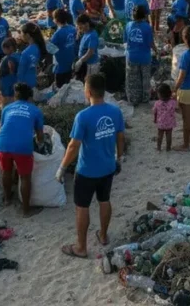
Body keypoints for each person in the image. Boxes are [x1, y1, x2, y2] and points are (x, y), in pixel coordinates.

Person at [58, 74, 125, 258]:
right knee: (104, 200)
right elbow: (120, 137)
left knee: (82, 206)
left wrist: (62, 168)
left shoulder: (83, 116)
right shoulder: (115, 111)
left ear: (87, 92)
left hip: (87, 170)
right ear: (103, 91)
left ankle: (81, 247)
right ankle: (103, 235)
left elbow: (73, 145)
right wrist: (119, 158)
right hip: (108, 167)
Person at [0, 83, 45, 217]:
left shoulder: (6, 108)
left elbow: (3, 126)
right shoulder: (35, 110)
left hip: (3, 144)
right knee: (25, 177)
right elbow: (40, 135)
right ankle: (26, 210)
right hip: (22, 147)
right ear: (30, 97)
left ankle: (7, 199)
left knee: (6, 171)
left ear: (15, 97)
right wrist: (40, 145)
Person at [124, 4, 156, 106]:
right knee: (145, 79)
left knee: (133, 80)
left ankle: (133, 99)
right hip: (145, 57)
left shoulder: (128, 25)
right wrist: (157, 51)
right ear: (144, 16)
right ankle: (145, 99)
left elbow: (125, 41)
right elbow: (150, 43)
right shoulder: (147, 27)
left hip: (132, 57)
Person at [51, 10, 78, 88]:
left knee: (60, 89)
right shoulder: (73, 29)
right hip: (72, 64)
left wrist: (46, 43)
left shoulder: (57, 34)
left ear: (56, 20)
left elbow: (50, 49)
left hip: (61, 67)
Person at [18, 23, 46, 90]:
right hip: (35, 81)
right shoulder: (40, 46)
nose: (20, 35)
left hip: (25, 84)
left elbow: (20, 73)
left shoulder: (25, 53)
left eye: (21, 33)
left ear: (27, 35)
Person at [74, 14, 100, 80]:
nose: (79, 29)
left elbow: (90, 52)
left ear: (86, 24)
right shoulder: (86, 32)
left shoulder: (92, 35)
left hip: (91, 65)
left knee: (89, 83)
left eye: (80, 27)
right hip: (85, 64)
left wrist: (80, 61)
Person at [153, 83, 177, 152]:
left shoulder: (157, 103)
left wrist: (155, 120)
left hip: (160, 122)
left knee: (160, 135)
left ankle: (158, 148)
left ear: (160, 94)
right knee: (169, 135)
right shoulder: (173, 102)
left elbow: (155, 112)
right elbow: (176, 106)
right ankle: (168, 148)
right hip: (170, 122)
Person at [0, 38, 20, 106]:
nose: (3, 51)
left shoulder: (9, 59)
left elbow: (11, 69)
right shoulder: (18, 55)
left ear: (10, 48)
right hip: (14, 81)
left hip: (7, 83)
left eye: (3, 49)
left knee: (7, 100)